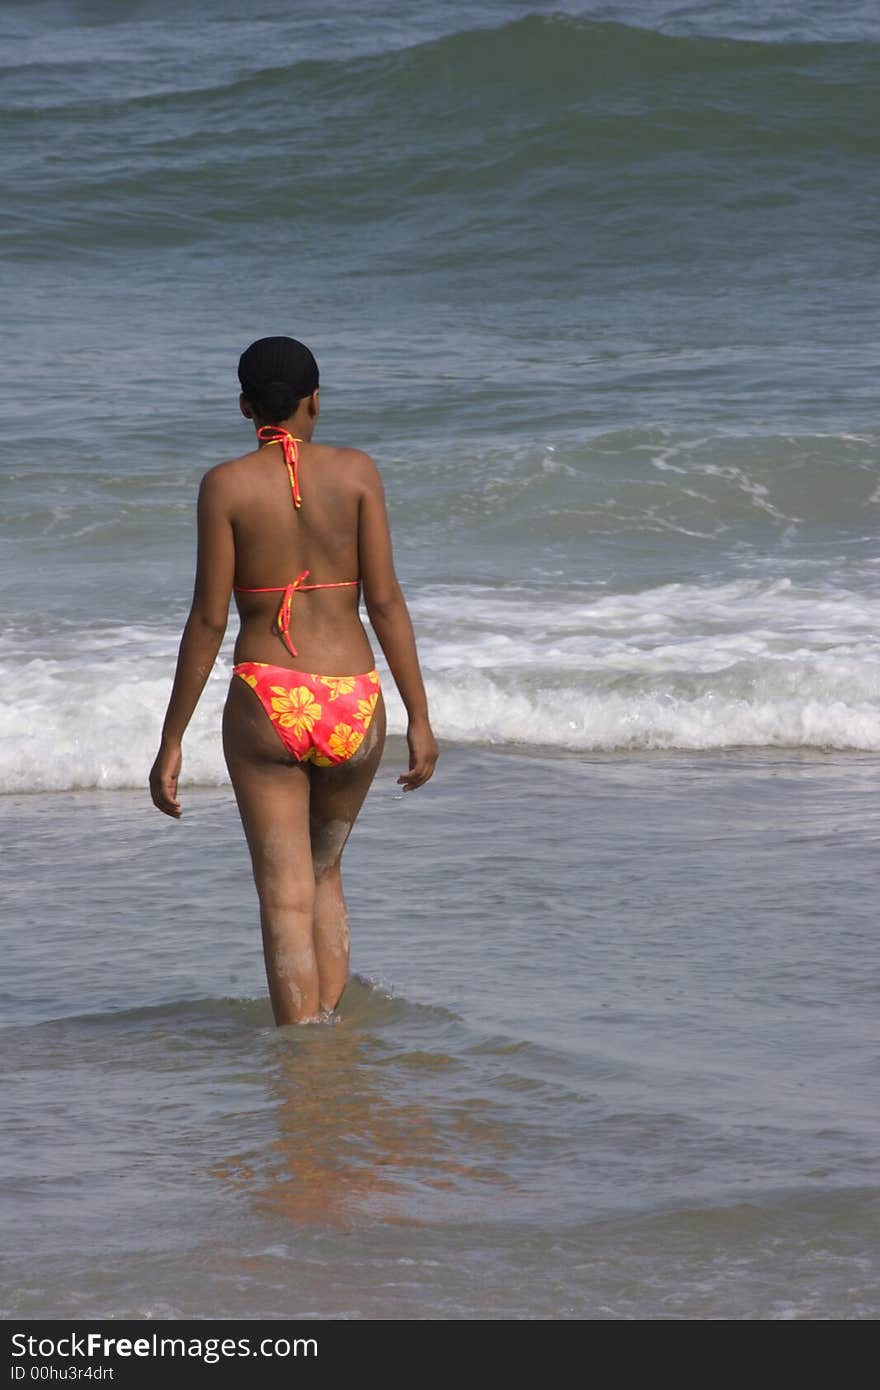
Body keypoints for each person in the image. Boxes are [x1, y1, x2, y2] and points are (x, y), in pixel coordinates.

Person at [149, 336, 439, 1025]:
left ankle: (302, 1058)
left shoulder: (225, 485)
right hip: (354, 699)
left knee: (283, 894)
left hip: (266, 702)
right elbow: (387, 602)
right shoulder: (358, 473)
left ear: (247, 406)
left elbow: (206, 620)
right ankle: (331, 1038)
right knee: (324, 871)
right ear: (317, 400)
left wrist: (172, 738)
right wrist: (419, 718)